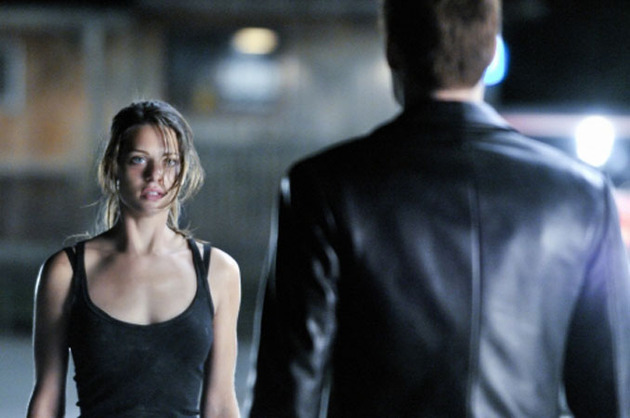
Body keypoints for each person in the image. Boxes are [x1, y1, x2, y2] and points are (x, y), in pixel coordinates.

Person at [248, 1, 630, 416]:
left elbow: (288, 391)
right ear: (491, 50)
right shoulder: (581, 196)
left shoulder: (322, 187)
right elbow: (610, 395)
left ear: (392, 50)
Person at [27, 100, 241, 417]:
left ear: (183, 170)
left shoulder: (218, 272)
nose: (155, 175)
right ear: (114, 166)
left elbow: (221, 404)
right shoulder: (65, 272)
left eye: (169, 161)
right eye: (139, 160)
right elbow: (47, 400)